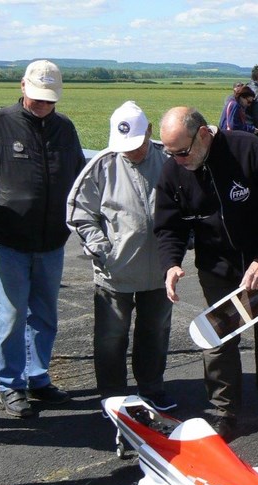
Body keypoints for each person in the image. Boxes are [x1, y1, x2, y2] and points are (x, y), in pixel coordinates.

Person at [154, 107, 258, 440]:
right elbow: (169, 225)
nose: (177, 160)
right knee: (218, 340)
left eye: (182, 151)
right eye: (170, 153)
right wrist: (171, 263)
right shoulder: (174, 170)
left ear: (203, 134)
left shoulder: (247, 150)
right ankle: (225, 412)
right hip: (217, 268)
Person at [0, 60, 85, 418]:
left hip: (53, 240)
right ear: (22, 86)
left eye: (49, 99)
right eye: (38, 97)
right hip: (11, 240)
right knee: (12, 316)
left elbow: (79, 176)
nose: (43, 105)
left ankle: (37, 376)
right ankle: (10, 383)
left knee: (45, 314)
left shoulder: (65, 129)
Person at [66, 101, 175, 411]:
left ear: (149, 131)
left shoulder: (169, 160)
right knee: (111, 336)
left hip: (161, 271)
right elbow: (79, 212)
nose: (131, 152)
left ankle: (152, 388)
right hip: (115, 270)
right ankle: (113, 396)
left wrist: (184, 241)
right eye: (125, 146)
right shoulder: (102, 164)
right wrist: (101, 248)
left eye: (137, 144)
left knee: (155, 332)